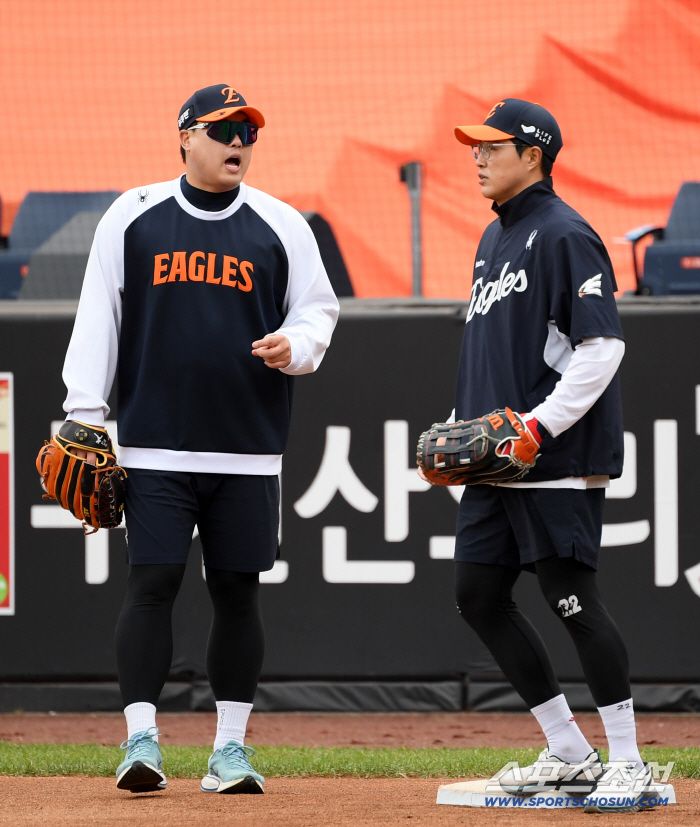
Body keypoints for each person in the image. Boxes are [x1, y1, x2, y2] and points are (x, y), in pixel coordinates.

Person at [61, 83, 339, 795]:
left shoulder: (282, 225)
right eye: (222, 131)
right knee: (151, 583)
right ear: (184, 137)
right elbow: (101, 316)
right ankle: (140, 739)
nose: (238, 142)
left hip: (247, 447)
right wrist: (84, 413)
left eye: (247, 130)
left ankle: (230, 750)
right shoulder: (135, 214)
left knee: (238, 593)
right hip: (155, 445)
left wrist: (296, 346)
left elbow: (318, 311)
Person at [434, 99, 651, 808]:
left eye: (493, 145)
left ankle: (628, 759)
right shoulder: (492, 240)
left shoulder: (565, 234)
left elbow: (601, 348)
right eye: (475, 146)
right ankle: (568, 749)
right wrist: (462, 429)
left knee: (569, 597)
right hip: (498, 464)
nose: (478, 156)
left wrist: (539, 425)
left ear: (534, 154)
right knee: (478, 594)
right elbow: (496, 354)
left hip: (552, 456)